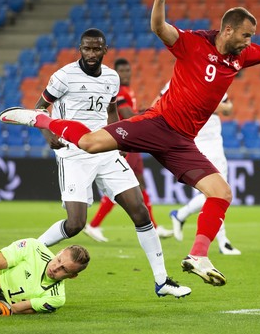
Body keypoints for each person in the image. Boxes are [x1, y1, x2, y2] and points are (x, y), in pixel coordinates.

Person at [0, 0, 260, 287]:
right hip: (157, 124)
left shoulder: (241, 55)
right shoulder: (193, 43)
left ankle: (198, 255)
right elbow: (160, 29)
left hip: (182, 142)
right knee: (88, 143)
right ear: (228, 29)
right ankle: (38, 118)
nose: (249, 41)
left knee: (222, 193)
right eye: (245, 35)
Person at [18, 28, 189, 298]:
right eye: (86, 48)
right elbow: (39, 109)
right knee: (75, 225)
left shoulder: (111, 78)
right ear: (80, 49)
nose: (91, 53)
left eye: (96, 49)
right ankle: (24, 253)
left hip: (106, 152)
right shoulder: (63, 76)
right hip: (73, 153)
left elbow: (111, 111)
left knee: (140, 212)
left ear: (105, 50)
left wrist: (117, 141)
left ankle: (162, 280)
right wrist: (48, 134)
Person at [83, 58, 173, 242]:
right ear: (116, 73)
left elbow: (132, 113)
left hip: (134, 142)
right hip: (125, 141)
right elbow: (127, 115)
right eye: (122, 71)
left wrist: (143, 112)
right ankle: (93, 224)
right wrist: (151, 112)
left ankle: (154, 226)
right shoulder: (119, 92)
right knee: (124, 185)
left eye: (127, 70)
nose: (126, 73)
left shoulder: (129, 90)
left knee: (140, 183)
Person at [165, 86, 241, 255]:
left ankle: (181, 215)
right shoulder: (177, 82)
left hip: (216, 144)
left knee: (219, 194)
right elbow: (160, 104)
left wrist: (206, 105)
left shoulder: (216, 79)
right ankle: (222, 242)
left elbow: (228, 109)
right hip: (197, 144)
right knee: (217, 193)